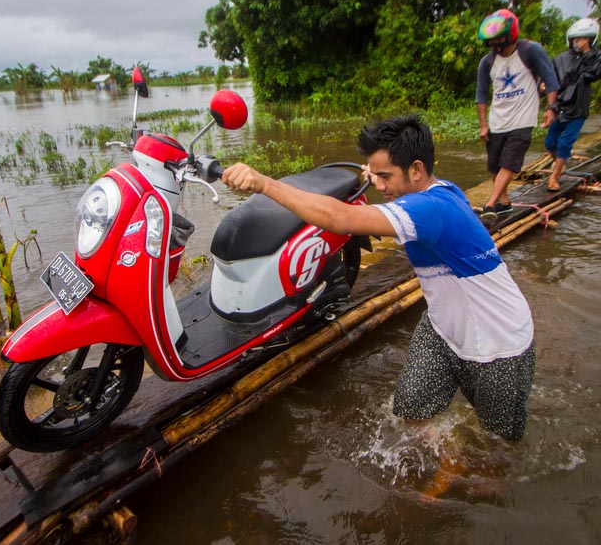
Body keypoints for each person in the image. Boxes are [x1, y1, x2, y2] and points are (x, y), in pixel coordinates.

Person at [222, 115, 536, 441]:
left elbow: (340, 218)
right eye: (376, 175)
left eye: (385, 177)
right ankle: (444, 453)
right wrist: (377, 172)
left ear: (416, 170)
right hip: (444, 328)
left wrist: (265, 184)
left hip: (500, 344)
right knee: (411, 411)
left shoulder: (429, 210)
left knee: (496, 445)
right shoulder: (443, 192)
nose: (379, 185)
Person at [475, 9, 560, 220]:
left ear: (510, 34)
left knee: (508, 163)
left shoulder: (530, 51)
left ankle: (490, 204)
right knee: (494, 166)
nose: (495, 44)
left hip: (522, 119)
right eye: (492, 40)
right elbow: (481, 95)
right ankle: (504, 203)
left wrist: (551, 108)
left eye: (499, 39)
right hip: (498, 120)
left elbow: (550, 79)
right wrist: (483, 124)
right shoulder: (487, 62)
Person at [543, 18, 601, 191]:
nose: (579, 42)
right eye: (577, 39)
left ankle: (554, 176)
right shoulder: (562, 59)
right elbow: (549, 77)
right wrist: (544, 91)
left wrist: (587, 53)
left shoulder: (597, 58)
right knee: (550, 142)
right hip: (560, 107)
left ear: (591, 39)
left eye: (583, 39)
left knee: (565, 143)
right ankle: (560, 163)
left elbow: (597, 72)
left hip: (578, 109)